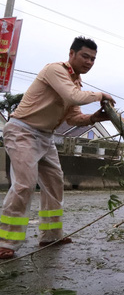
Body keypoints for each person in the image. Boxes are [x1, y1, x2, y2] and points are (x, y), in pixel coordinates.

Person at [0, 36, 115, 259]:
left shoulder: (77, 84)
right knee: (24, 184)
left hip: (45, 136)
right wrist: (100, 95)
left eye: (93, 59)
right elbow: (73, 97)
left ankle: (50, 235)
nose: (89, 62)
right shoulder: (55, 70)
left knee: (54, 184)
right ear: (71, 54)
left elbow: (73, 118)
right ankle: (6, 241)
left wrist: (93, 118)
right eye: (85, 56)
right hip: (22, 131)